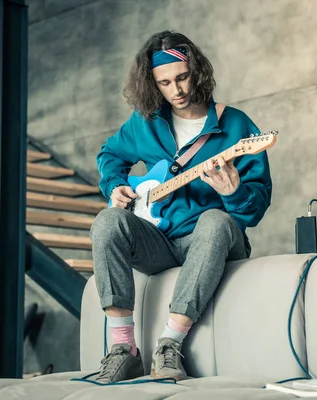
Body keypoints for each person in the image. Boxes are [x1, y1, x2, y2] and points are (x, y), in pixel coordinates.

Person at [89, 30, 272, 383]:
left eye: (183, 77)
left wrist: (233, 192)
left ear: (197, 70)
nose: (177, 90)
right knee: (108, 221)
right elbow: (109, 154)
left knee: (215, 219)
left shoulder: (237, 126)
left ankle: (169, 345)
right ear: (153, 84)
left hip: (213, 240)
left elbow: (255, 209)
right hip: (160, 241)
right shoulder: (146, 123)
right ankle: (123, 350)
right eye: (165, 83)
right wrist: (115, 186)